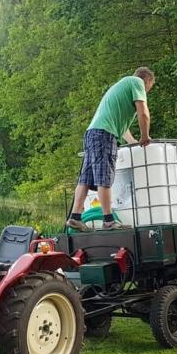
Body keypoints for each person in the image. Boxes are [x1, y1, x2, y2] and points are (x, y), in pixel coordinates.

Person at [66, 67, 154, 231]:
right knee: (104, 177)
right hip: (104, 134)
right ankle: (108, 221)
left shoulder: (121, 87)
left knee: (86, 178)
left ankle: (75, 217)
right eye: (149, 88)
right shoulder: (136, 82)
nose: (147, 92)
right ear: (147, 81)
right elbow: (144, 114)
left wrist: (134, 141)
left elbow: (123, 128)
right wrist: (145, 136)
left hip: (92, 133)